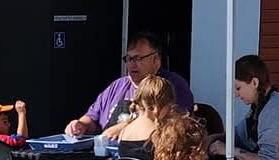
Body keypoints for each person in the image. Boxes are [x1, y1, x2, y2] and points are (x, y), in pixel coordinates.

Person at [64, 34, 194, 137]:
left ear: (156, 60)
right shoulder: (117, 86)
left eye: (138, 59)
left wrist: (124, 129)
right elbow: (92, 118)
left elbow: (175, 125)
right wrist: (80, 125)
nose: (132, 65)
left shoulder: (173, 86)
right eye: (129, 59)